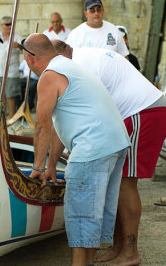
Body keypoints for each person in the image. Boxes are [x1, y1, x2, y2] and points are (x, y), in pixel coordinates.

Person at [52, 40, 166, 266]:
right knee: (117, 182)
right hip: (139, 112)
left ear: (61, 56)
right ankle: (119, 248)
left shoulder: (77, 67)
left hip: (143, 111)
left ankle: (130, 252)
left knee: (126, 182)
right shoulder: (81, 57)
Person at [23, 34, 130, 266]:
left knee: (81, 218)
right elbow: (60, 123)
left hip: (94, 148)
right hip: (116, 144)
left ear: (30, 58)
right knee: (93, 216)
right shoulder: (70, 65)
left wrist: (38, 167)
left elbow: (42, 126)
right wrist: (51, 166)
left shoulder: (49, 76)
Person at [0, 16, 22, 118]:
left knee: (11, 94)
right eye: (7, 24)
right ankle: (2, 116)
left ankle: (12, 116)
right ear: (2, 25)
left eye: (11, 24)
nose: (9, 26)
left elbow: (26, 50)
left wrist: (19, 46)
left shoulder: (17, 37)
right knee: (0, 95)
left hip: (11, 70)